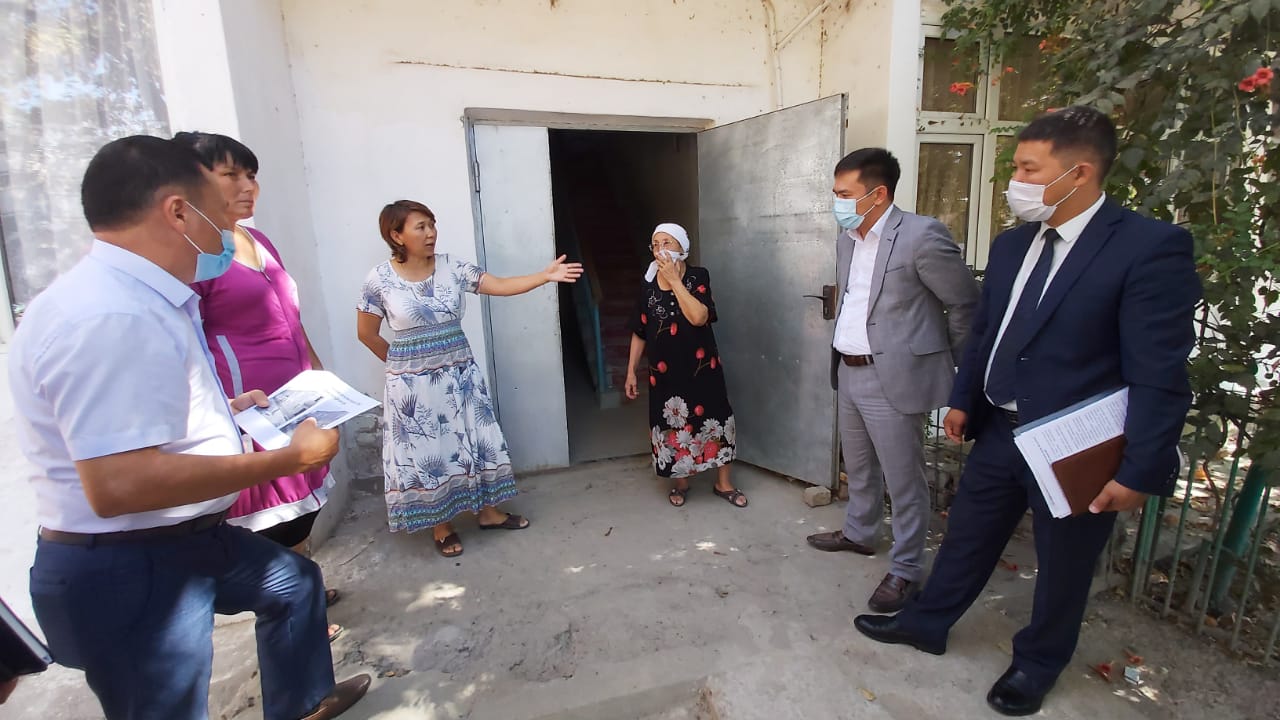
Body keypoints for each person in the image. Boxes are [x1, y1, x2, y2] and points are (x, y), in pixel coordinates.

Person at [854, 107, 1200, 716]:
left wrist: (1140, 468)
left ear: (1080, 172)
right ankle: (926, 623)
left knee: (1065, 564)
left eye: (1028, 169)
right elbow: (987, 330)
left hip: (1076, 444)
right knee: (966, 537)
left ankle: (1037, 664)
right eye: (1015, 166)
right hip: (1001, 430)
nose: (1015, 180)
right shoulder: (1015, 244)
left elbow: (1158, 371)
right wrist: (963, 399)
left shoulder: (1147, 248)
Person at [10, 136, 369, 719]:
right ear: (178, 212)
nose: (227, 227)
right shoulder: (110, 315)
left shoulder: (143, 299)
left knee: (293, 583)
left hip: (184, 538)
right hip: (129, 562)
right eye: (216, 211)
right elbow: (119, 485)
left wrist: (225, 409)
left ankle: (304, 704)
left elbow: (142, 411)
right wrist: (287, 459)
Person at [172, 131, 343, 641]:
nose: (249, 186)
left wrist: (319, 376)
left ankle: (305, 588)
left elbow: (290, 318)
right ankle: (294, 613)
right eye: (232, 175)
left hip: (296, 396)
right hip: (251, 407)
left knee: (302, 502)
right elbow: (188, 342)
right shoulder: (196, 254)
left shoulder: (256, 239)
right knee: (271, 515)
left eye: (252, 175)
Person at [805, 148, 979, 613]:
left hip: (895, 377)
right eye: (835, 193)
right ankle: (860, 532)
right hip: (849, 368)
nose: (837, 202)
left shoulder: (922, 235)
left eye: (845, 194)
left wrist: (959, 373)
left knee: (904, 479)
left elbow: (964, 303)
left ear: (878, 194)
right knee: (860, 466)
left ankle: (905, 568)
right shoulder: (847, 239)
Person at [357, 200, 582, 557]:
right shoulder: (379, 279)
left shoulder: (452, 267)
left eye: (432, 224)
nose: (430, 233)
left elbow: (500, 285)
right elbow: (366, 333)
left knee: (475, 439)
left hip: (459, 375)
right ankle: (442, 526)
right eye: (420, 227)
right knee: (430, 451)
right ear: (396, 235)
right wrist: (402, 369)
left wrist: (544, 276)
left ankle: (488, 513)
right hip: (412, 387)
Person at [624, 223, 745, 509]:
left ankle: (723, 483)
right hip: (664, 374)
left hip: (702, 368)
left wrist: (675, 282)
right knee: (672, 424)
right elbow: (639, 330)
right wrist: (630, 371)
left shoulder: (697, 276)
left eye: (667, 242)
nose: (660, 249)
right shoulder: (647, 285)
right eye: (655, 244)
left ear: (682, 246)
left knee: (717, 418)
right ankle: (681, 482)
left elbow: (699, 317)